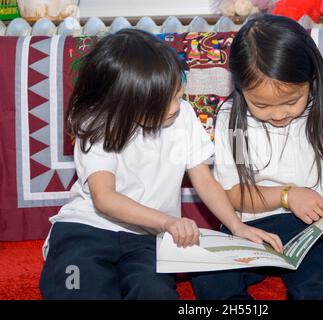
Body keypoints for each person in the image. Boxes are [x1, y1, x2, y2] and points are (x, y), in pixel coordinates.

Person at [39, 28, 283, 300]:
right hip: (86, 229)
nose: (174, 108)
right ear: (124, 103)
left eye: (178, 95)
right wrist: (168, 221)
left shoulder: (184, 116)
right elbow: (104, 198)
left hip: (147, 239)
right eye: (161, 103)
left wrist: (237, 227)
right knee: (80, 288)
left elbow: (204, 180)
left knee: (155, 292)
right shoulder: (98, 123)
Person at [191, 14, 323, 300]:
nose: (278, 114)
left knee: (317, 284)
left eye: (291, 101)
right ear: (241, 90)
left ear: (310, 79)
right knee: (209, 281)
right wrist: (288, 196)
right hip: (252, 232)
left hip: (315, 233)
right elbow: (233, 193)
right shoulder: (234, 120)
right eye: (262, 105)